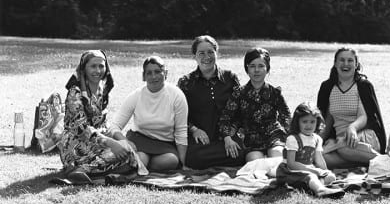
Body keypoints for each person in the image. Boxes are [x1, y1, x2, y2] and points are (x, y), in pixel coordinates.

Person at [59, 50, 140, 182]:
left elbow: (103, 123)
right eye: (93, 66)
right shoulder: (75, 93)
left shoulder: (102, 89)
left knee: (128, 152)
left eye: (101, 66)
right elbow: (81, 129)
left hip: (98, 140)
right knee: (122, 156)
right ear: (84, 69)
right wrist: (111, 143)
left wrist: (121, 140)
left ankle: (88, 170)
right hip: (75, 143)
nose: (98, 70)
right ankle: (79, 169)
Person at [108, 56, 188, 171]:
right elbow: (114, 126)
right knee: (141, 159)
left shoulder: (177, 95)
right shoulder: (136, 96)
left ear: (165, 73)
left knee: (171, 161)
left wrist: (183, 163)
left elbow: (181, 131)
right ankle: (142, 164)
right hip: (139, 140)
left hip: (164, 143)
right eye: (149, 73)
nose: (153, 76)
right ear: (143, 76)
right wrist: (125, 142)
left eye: (157, 72)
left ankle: (142, 167)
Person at [177, 35, 246, 169]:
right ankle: (220, 159)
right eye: (201, 53)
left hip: (227, 136)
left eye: (210, 52)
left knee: (240, 152)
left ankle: (219, 156)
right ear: (194, 56)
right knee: (193, 158)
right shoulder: (186, 82)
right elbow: (178, 115)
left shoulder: (230, 78)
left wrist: (230, 134)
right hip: (200, 137)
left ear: (216, 53)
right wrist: (194, 130)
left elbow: (240, 110)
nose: (206, 57)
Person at [317, 47, 386, 168]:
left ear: (356, 64)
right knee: (318, 157)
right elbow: (328, 121)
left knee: (344, 147)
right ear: (335, 63)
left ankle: (386, 162)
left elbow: (364, 116)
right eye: (341, 60)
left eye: (350, 60)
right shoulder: (327, 87)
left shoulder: (363, 85)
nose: (346, 64)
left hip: (365, 135)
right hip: (340, 142)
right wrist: (316, 141)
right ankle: (366, 163)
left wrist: (352, 128)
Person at [219, 47, 291, 162]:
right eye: (252, 66)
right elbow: (225, 118)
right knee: (255, 164)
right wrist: (227, 138)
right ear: (247, 69)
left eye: (261, 66)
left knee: (277, 159)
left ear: (267, 69)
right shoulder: (238, 94)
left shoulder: (275, 93)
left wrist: (291, 137)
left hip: (274, 135)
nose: (256, 70)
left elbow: (286, 117)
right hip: (251, 140)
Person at [276, 102, 343, 198]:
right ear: (297, 122)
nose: (309, 125)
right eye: (304, 121)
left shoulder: (317, 139)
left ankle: (311, 185)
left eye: (312, 122)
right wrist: (313, 171)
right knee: (310, 176)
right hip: (289, 172)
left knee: (331, 177)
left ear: (317, 122)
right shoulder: (293, 139)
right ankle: (320, 190)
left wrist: (325, 172)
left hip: (308, 170)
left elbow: (319, 159)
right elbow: (291, 164)